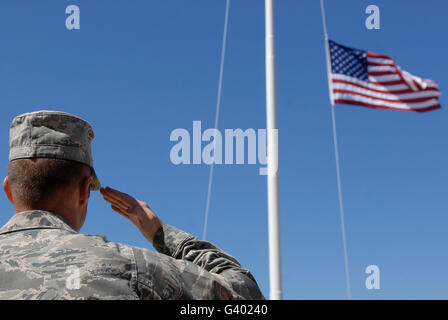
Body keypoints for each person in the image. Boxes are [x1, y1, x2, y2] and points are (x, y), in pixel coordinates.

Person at [0, 110, 264, 300]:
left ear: (8, 190)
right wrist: (161, 234)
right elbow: (246, 296)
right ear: (84, 190)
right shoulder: (132, 267)